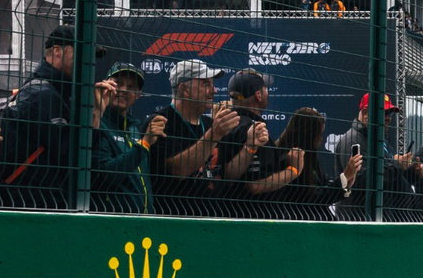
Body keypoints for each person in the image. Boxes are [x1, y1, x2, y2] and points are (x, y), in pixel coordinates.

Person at [0, 24, 105, 210]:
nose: (88, 62)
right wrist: (95, 114)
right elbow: (75, 157)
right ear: (57, 51)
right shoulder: (42, 94)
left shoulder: (56, 91)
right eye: (82, 53)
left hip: (32, 202)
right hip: (28, 205)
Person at [148, 58, 236, 217]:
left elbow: (228, 175)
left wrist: (250, 145)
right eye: (205, 84)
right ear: (184, 89)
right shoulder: (160, 122)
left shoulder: (210, 124)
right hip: (174, 219)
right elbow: (177, 170)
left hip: (213, 219)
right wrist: (214, 135)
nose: (214, 90)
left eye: (212, 84)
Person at [217, 68, 301, 217]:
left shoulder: (224, 125)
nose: (268, 93)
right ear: (258, 95)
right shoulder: (255, 130)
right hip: (255, 216)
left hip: (229, 211)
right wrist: (293, 170)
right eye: (265, 89)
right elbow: (255, 184)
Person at [91, 62, 166, 214]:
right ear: (106, 85)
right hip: (110, 221)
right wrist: (144, 144)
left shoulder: (133, 128)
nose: (123, 90)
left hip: (141, 222)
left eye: (131, 87)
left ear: (138, 95)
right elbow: (104, 175)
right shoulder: (96, 124)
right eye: (118, 83)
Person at [335, 93, 421, 220]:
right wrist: (397, 165)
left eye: (389, 113)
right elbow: (362, 181)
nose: (388, 118)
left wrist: (410, 172)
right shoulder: (353, 141)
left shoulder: (379, 141)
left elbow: (390, 178)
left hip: (382, 219)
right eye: (383, 112)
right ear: (365, 113)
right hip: (361, 221)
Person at [266, 107, 359, 220]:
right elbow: (314, 198)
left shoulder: (310, 157)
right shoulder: (290, 159)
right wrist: (344, 177)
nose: (321, 139)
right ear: (308, 134)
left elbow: (323, 188)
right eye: (319, 134)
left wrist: (346, 183)